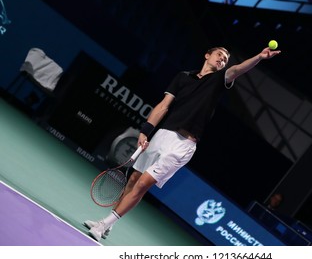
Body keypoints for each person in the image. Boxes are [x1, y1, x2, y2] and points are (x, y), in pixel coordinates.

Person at [83, 45, 281, 241]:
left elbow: (238, 69)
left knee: (143, 184)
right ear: (207, 55)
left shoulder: (219, 80)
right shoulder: (182, 77)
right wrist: (145, 131)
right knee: (134, 179)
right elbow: (163, 106)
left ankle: (103, 224)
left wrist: (259, 57)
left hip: (182, 145)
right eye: (219, 55)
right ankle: (109, 224)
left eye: (225, 59)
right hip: (162, 135)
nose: (222, 59)